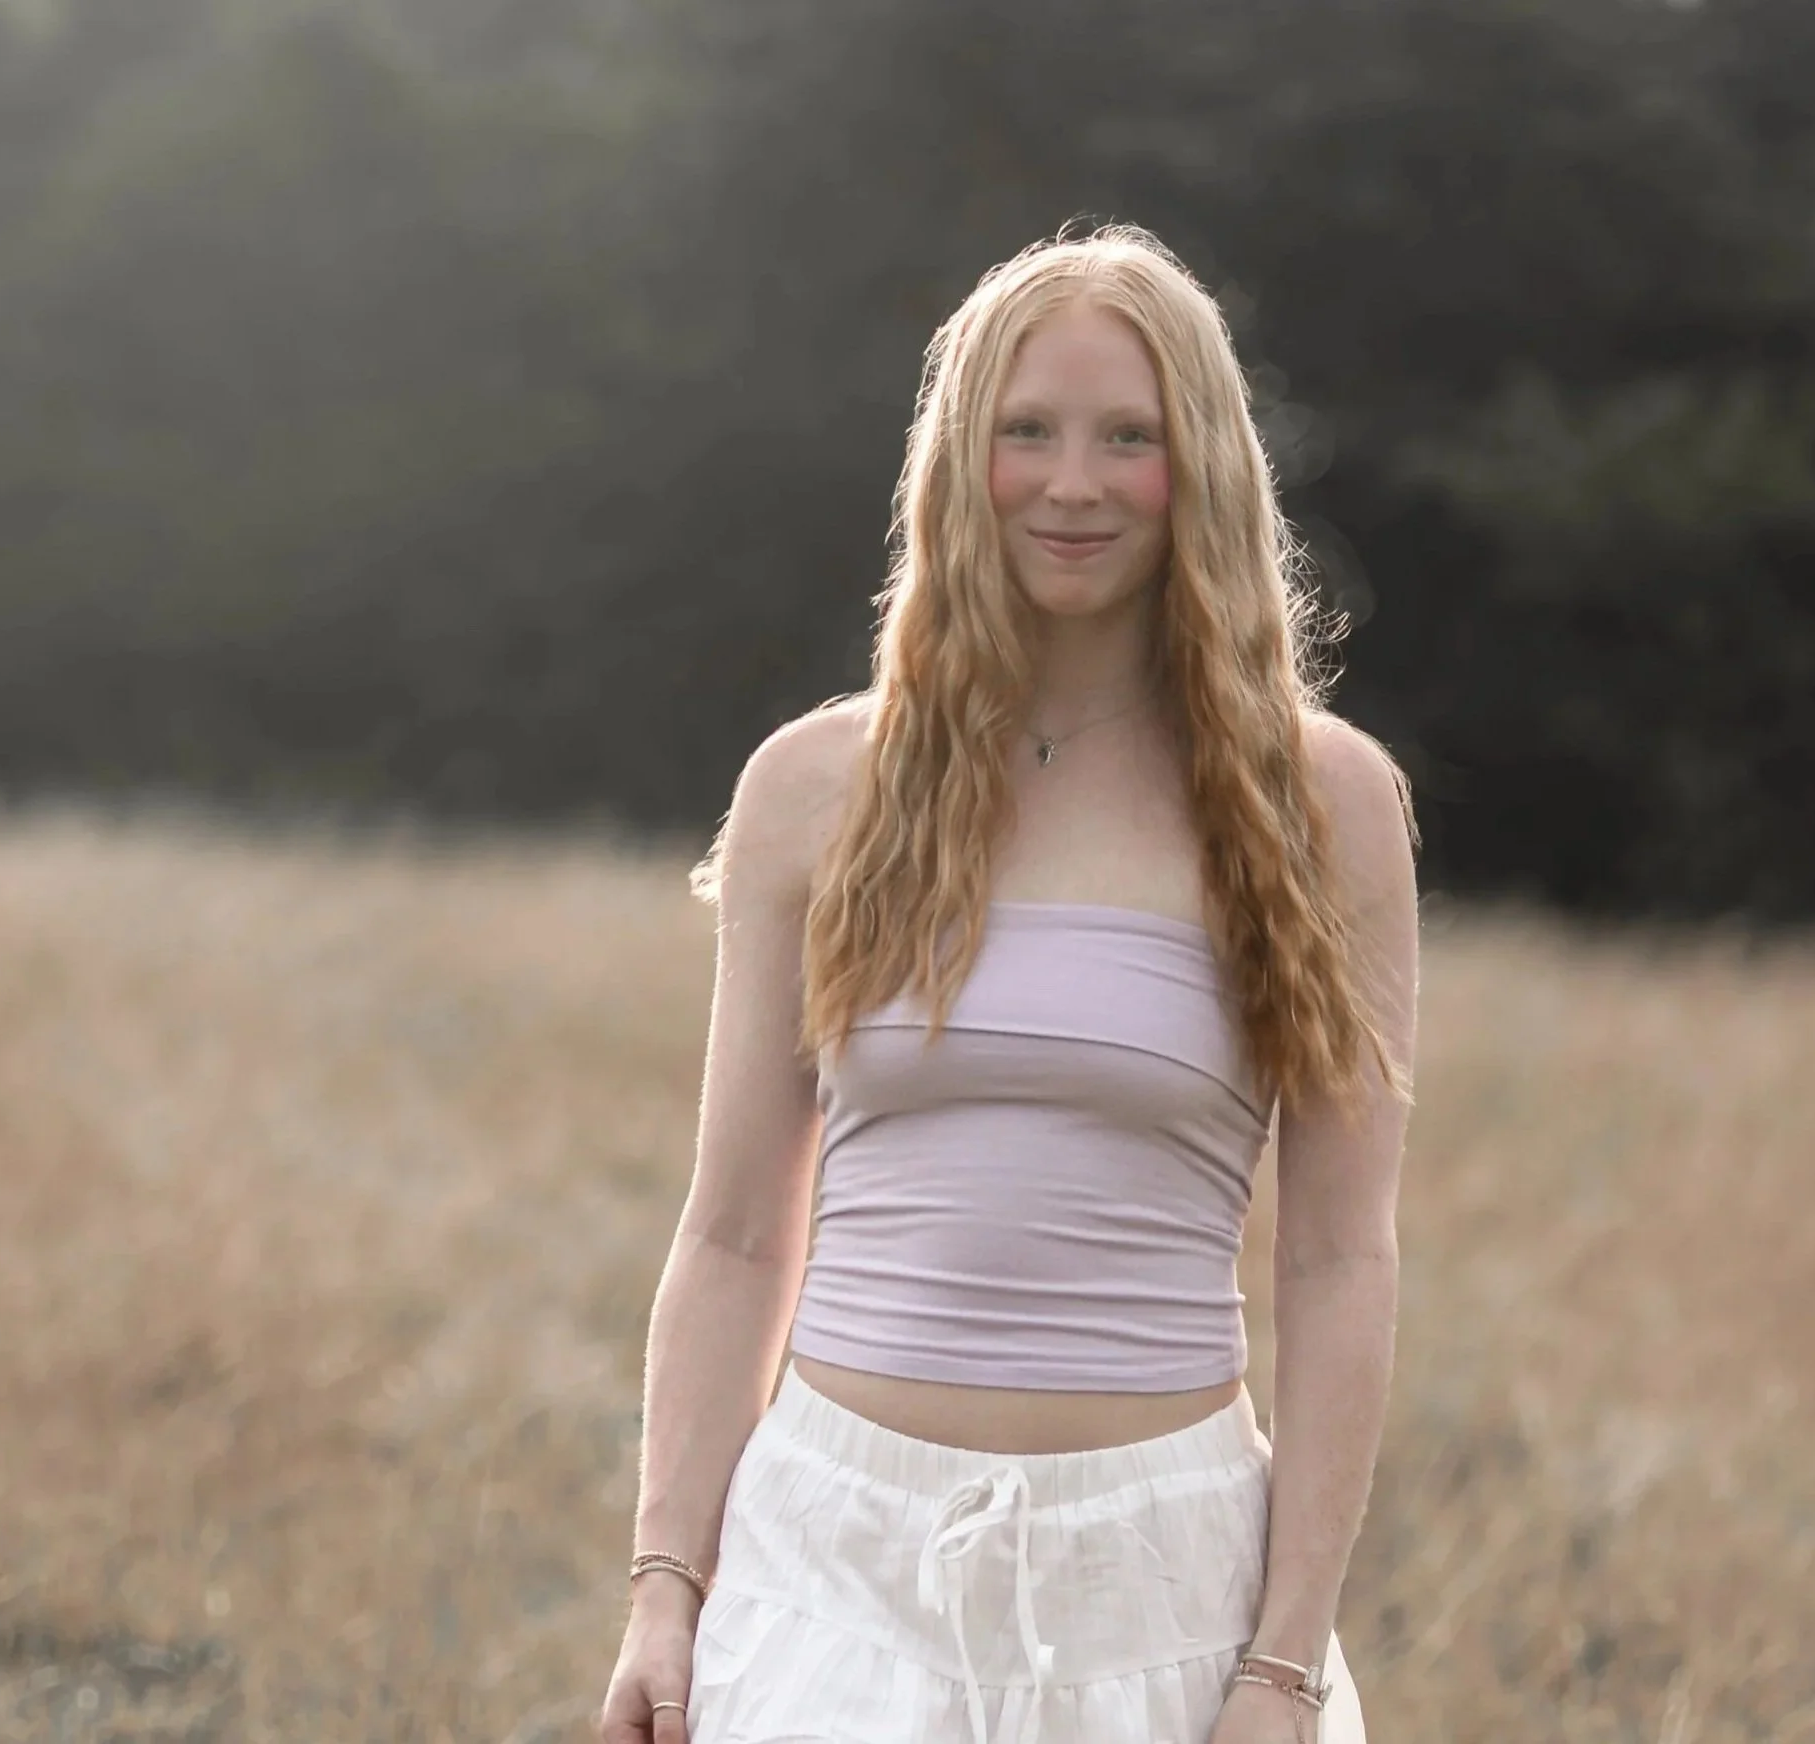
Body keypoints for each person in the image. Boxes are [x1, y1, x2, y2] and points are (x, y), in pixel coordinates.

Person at [596, 223, 1419, 1744]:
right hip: (831, 1569)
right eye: (1024, 433)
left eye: (1129, 438)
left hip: (1161, 1586)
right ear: (955, 457)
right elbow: (727, 1233)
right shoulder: (813, 785)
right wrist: (666, 1586)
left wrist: (1279, 1665)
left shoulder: (1323, 801)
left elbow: (1338, 1262)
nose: (1071, 484)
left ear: (1207, 468)